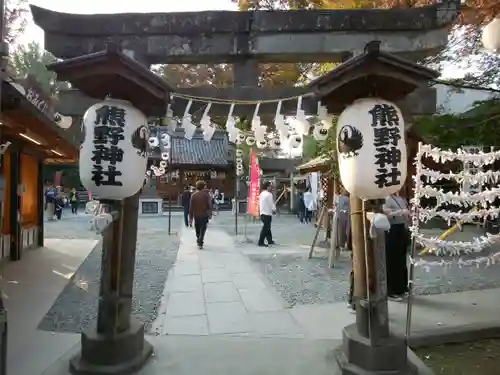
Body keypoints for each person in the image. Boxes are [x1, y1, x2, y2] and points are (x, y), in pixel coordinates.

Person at [383, 192, 411, 301]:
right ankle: (391, 290)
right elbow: (384, 213)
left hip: (401, 229)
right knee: (392, 261)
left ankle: (402, 287)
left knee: (401, 260)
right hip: (392, 230)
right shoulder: (386, 198)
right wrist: (400, 212)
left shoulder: (401, 198)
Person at [189, 180, 212, 249]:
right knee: (203, 228)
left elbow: (191, 207)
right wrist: (210, 214)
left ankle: (198, 238)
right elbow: (209, 205)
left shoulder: (193, 195)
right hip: (204, 214)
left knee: (197, 228)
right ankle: (200, 240)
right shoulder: (206, 195)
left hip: (196, 214)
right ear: (203, 187)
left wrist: (190, 217)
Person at [258, 181, 276, 247]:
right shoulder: (269, 194)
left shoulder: (262, 194)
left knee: (267, 227)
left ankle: (269, 240)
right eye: (270, 186)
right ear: (267, 187)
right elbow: (271, 204)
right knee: (266, 228)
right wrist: (274, 210)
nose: (271, 188)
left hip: (262, 212)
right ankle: (260, 242)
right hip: (267, 213)